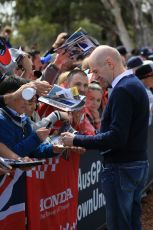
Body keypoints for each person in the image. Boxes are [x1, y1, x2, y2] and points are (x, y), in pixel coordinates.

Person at [61, 45, 149, 230]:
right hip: (133, 165)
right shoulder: (132, 84)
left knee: (120, 225)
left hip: (122, 168)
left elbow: (116, 137)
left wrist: (76, 139)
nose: (93, 76)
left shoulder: (123, 89)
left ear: (109, 63)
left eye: (95, 70)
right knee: (131, 222)